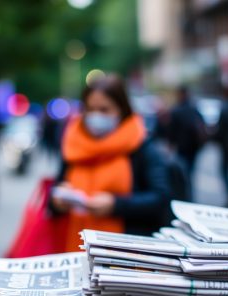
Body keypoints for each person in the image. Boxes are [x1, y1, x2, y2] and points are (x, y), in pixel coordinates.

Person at [50, 74, 171, 251]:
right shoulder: (72, 145)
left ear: (122, 110)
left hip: (126, 254)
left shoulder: (141, 147)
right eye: (90, 109)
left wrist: (116, 205)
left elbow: (161, 198)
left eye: (104, 109)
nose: (95, 116)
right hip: (74, 249)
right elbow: (55, 194)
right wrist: (58, 202)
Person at [167, 87, 207, 198]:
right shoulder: (194, 109)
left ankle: (186, 196)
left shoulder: (177, 110)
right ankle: (189, 195)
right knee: (190, 172)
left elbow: (172, 130)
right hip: (194, 147)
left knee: (183, 173)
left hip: (182, 148)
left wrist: (171, 144)